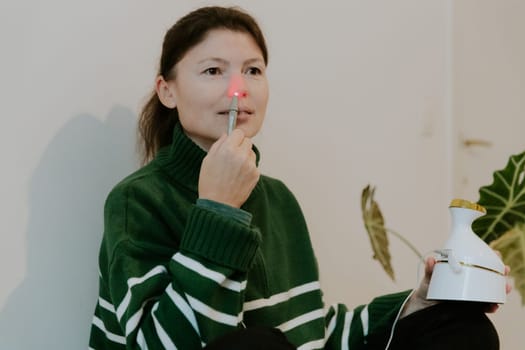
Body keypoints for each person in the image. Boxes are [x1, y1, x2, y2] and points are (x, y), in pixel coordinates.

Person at [89, 6, 507, 350]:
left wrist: (419, 301)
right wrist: (217, 212)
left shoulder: (277, 198)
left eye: (253, 71)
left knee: (459, 326)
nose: (239, 89)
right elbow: (160, 345)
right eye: (213, 71)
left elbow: (309, 334)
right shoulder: (137, 200)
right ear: (167, 91)